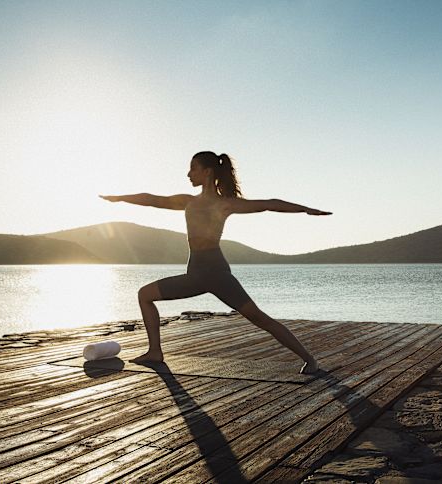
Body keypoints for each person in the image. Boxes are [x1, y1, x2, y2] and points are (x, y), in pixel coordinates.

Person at [99, 151, 332, 374]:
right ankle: (155, 352)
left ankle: (309, 359)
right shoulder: (188, 201)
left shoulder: (226, 204)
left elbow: (268, 203)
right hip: (195, 274)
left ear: (207, 172)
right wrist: (120, 198)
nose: (188, 174)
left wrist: (304, 209)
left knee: (259, 318)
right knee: (145, 294)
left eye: (193, 168)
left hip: (217, 274)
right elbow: (152, 200)